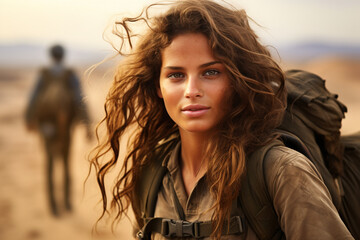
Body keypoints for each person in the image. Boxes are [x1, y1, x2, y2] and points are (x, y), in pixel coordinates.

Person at [90, 0, 354, 239]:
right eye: (176, 75)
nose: (192, 90)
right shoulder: (151, 172)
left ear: (237, 81)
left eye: (211, 72)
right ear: (157, 86)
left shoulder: (281, 171)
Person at [25, 44, 92, 216]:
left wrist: (29, 119)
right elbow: (79, 99)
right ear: (63, 56)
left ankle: (53, 206)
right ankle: (67, 203)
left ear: (51, 56)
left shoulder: (44, 75)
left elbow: (33, 98)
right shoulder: (69, 75)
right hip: (65, 126)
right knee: (65, 163)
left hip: (46, 125)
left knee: (49, 164)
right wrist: (87, 124)